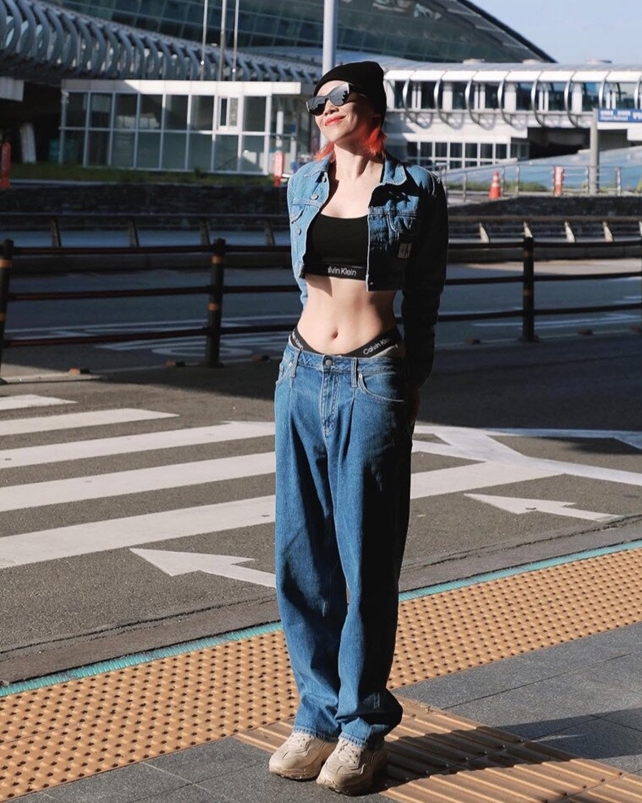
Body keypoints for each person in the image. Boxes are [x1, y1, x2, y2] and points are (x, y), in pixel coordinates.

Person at [269, 60, 448, 796]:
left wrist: (412, 379)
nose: (325, 109)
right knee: (300, 559)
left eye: (338, 97)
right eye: (316, 102)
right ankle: (315, 716)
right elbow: (303, 282)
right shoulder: (304, 185)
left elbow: (427, 292)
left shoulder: (416, 188)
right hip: (299, 373)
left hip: (373, 377)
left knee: (366, 560)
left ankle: (362, 728)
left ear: (370, 105)